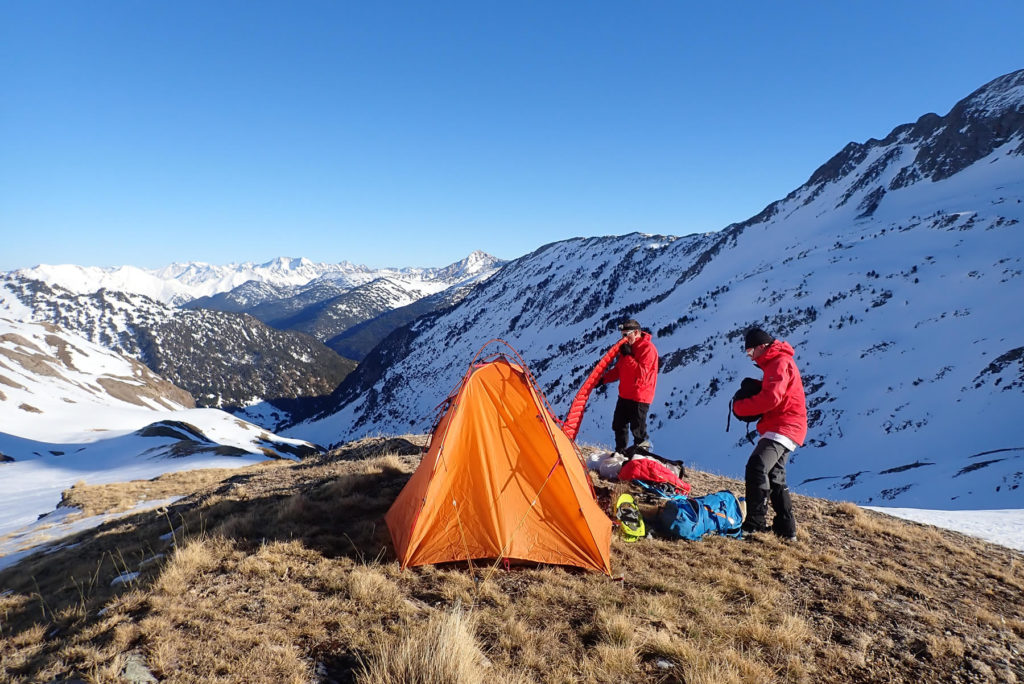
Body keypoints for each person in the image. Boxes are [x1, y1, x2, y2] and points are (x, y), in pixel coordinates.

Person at [732, 327, 807, 542]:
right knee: (774, 476)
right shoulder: (777, 363)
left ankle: (755, 524)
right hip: (787, 425)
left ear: (761, 347)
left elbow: (772, 398)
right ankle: (786, 528)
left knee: (757, 466)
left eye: (750, 350)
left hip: (784, 425)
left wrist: (741, 408)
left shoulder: (779, 362)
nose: (748, 355)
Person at [601, 319, 658, 455]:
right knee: (618, 424)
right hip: (625, 394)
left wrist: (627, 356)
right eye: (622, 335)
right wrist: (603, 380)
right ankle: (620, 453)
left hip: (640, 396)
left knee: (638, 430)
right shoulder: (628, 348)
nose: (624, 338)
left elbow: (641, 373)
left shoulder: (648, 349)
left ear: (637, 332)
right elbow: (620, 369)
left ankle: (641, 457)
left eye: (627, 334)